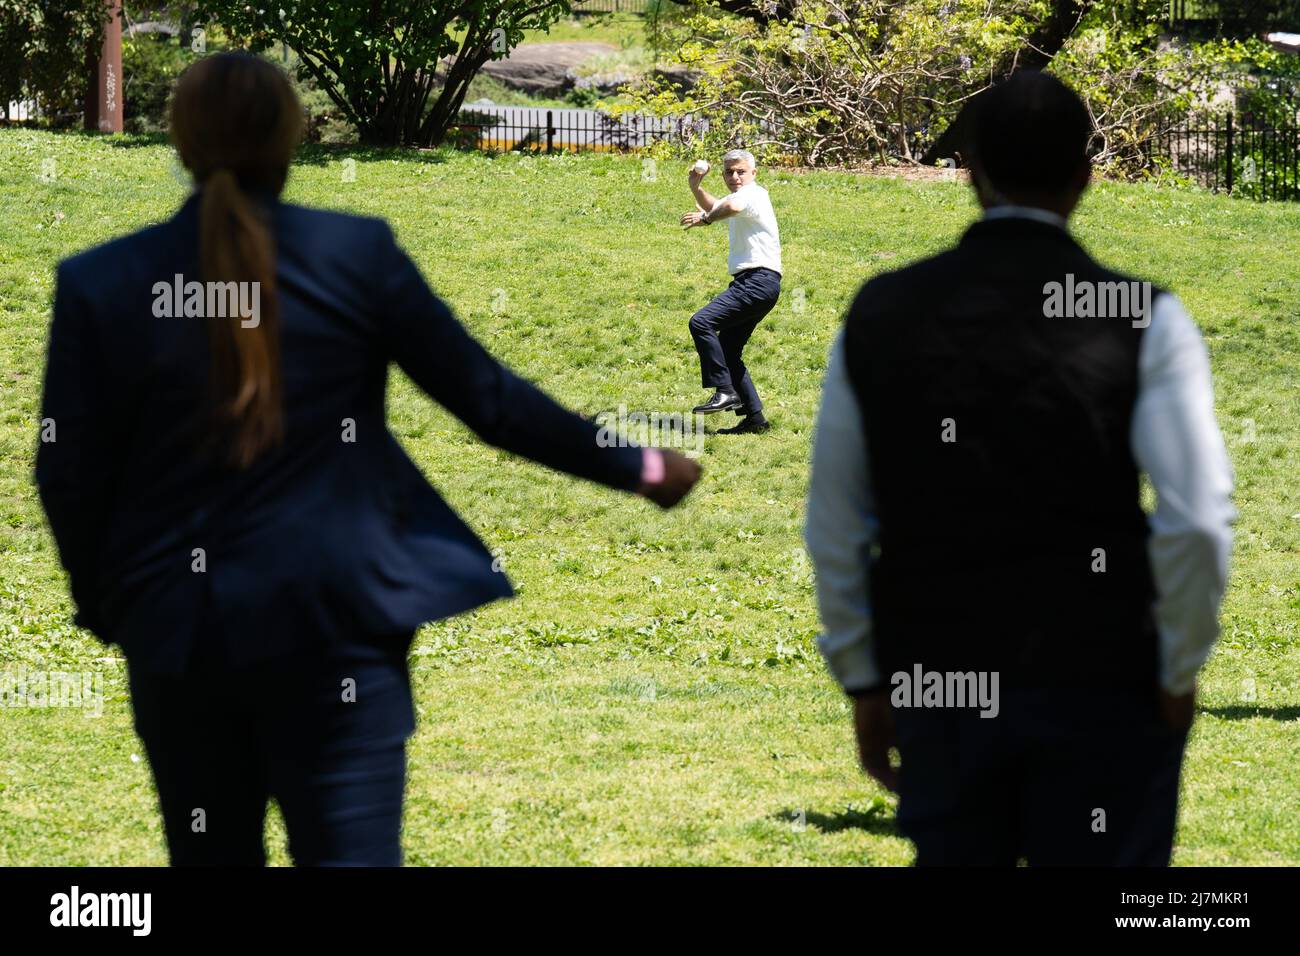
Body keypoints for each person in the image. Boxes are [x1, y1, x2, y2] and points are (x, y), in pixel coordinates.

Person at [33, 52, 701, 866]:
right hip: (338, 626)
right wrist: (640, 467)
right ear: (291, 138)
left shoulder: (100, 281)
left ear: (179, 142)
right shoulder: (355, 255)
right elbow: (488, 401)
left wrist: (113, 607)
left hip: (181, 634)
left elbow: (67, 471)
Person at [804, 71, 1235, 866]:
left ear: (969, 170)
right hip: (1105, 676)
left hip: (941, 678)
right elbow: (1198, 518)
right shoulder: (1140, 315)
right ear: (1086, 174)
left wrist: (865, 678)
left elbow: (837, 521)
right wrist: (1177, 665)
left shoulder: (881, 311)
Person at [680, 149, 782, 434]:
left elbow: (728, 210)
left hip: (757, 280)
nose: (734, 177)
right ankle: (755, 419)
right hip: (760, 283)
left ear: (753, 173)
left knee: (701, 322)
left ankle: (725, 391)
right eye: (728, 172)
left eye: (740, 171)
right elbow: (718, 206)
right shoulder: (742, 196)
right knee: (728, 350)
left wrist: (706, 219)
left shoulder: (752, 194)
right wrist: (695, 187)